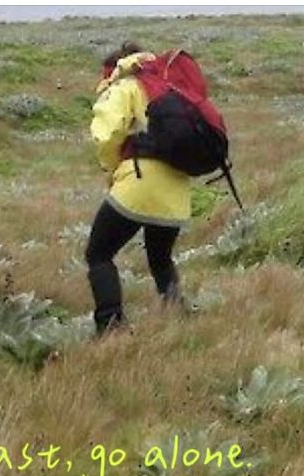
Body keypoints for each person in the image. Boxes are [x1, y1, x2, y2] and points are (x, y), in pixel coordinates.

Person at [85, 42, 191, 335]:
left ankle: (111, 327)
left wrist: (111, 169)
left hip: (138, 183)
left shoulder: (127, 85)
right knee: (160, 258)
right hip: (177, 190)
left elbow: (107, 134)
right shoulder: (169, 85)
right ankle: (178, 319)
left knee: (98, 254)